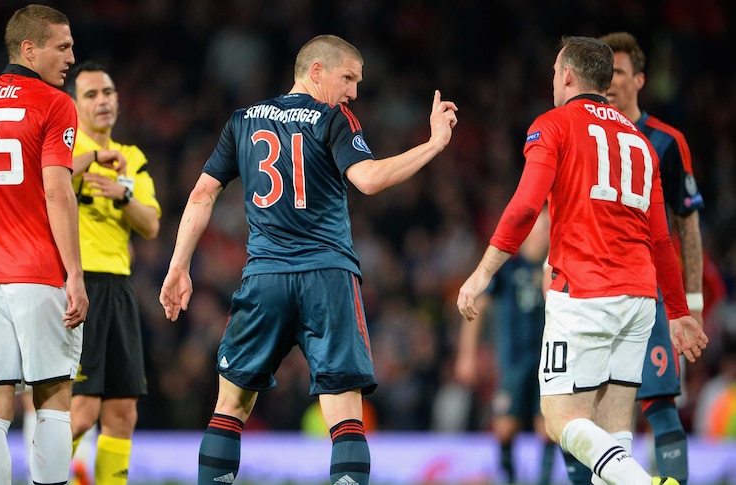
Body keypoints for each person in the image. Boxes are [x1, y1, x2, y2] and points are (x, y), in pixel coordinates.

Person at [159, 34, 458, 485]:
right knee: (344, 415)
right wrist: (433, 144)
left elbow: (202, 193)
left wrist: (178, 266)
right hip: (328, 277)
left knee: (230, 408)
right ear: (315, 71)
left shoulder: (243, 120)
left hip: (265, 278)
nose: (354, 91)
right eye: (348, 78)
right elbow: (370, 180)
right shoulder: (334, 118)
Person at [456, 36, 708, 485]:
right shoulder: (641, 142)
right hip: (638, 301)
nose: (553, 80)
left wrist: (481, 273)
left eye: (555, 72)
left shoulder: (553, 124)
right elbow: (662, 239)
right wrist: (679, 310)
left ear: (568, 75)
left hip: (584, 295)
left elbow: (525, 208)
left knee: (559, 421)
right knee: (614, 434)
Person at [0, 4, 88, 485]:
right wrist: (75, 274)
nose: (70, 56)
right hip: (37, 273)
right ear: (29, 48)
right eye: (61, 46)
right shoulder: (53, 104)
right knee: (52, 396)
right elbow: (56, 190)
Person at [559, 31, 706, 485]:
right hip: (588, 291)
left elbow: (685, 227)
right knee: (580, 406)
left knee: (659, 403)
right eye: (608, 73)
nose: (613, 82)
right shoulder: (577, 133)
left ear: (640, 79)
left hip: (651, 296)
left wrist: (692, 305)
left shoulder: (665, 142)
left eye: (620, 72)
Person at [64, 60, 161, 484]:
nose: (102, 101)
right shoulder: (64, 151)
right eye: (91, 94)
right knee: (80, 412)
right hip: (77, 284)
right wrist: (91, 160)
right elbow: (48, 191)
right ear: (74, 103)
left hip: (118, 288)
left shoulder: (132, 159)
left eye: (107, 92)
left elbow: (151, 224)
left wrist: (123, 196)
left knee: (122, 412)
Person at [455, 211, 555, 485]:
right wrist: (467, 355)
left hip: (547, 361)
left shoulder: (555, 269)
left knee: (546, 427)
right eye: (539, 226)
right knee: (504, 426)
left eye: (547, 226)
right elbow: (480, 307)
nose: (543, 231)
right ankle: (508, 479)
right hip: (512, 359)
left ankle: (543, 480)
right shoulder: (508, 268)